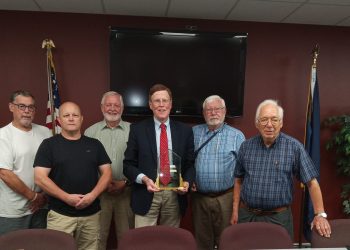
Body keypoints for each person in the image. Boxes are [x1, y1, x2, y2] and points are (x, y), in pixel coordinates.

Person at [231, 99, 331, 239]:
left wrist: (320, 214)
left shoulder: (294, 147)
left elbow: (312, 183)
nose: (269, 125)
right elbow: (238, 180)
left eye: (274, 119)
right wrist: (235, 210)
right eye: (264, 119)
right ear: (257, 123)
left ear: (281, 123)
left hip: (279, 219)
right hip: (248, 217)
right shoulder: (245, 147)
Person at [34, 101, 112, 250]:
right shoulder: (49, 145)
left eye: (75, 115)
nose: (71, 118)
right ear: (59, 119)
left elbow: (107, 173)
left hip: (91, 215)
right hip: (60, 216)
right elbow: (39, 178)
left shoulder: (95, 144)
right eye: (66, 115)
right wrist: (66, 198)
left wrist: (92, 196)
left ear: (81, 119)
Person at [123, 84, 195, 228]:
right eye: (157, 101)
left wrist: (186, 182)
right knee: (144, 242)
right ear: (150, 105)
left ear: (171, 104)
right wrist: (144, 179)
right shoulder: (137, 129)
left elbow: (190, 164)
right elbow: (128, 165)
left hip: (174, 196)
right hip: (146, 192)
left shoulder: (185, 131)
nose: (161, 105)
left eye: (165, 100)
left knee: (169, 241)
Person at [191, 95, 245, 250]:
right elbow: (187, 161)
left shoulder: (237, 136)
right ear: (203, 113)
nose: (213, 113)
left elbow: (242, 172)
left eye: (217, 109)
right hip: (199, 198)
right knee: (202, 242)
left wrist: (236, 206)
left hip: (226, 198)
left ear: (224, 111)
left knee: (227, 241)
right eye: (209, 110)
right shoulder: (194, 133)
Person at [85, 91, 134, 250]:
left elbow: (141, 162)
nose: (112, 108)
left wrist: (125, 183)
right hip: (99, 194)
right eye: (109, 104)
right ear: (102, 107)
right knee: (97, 237)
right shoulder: (90, 132)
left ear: (122, 108)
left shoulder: (134, 131)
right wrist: (102, 185)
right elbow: (85, 165)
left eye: (116, 105)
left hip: (127, 192)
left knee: (127, 238)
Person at [0, 90, 51, 235]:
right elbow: (5, 174)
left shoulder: (45, 132)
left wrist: (43, 196)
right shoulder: (3, 135)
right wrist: (34, 196)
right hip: (13, 211)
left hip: (41, 206)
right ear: (11, 107)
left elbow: (52, 165)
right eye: (22, 106)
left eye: (31, 107)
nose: (27, 111)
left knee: (40, 245)